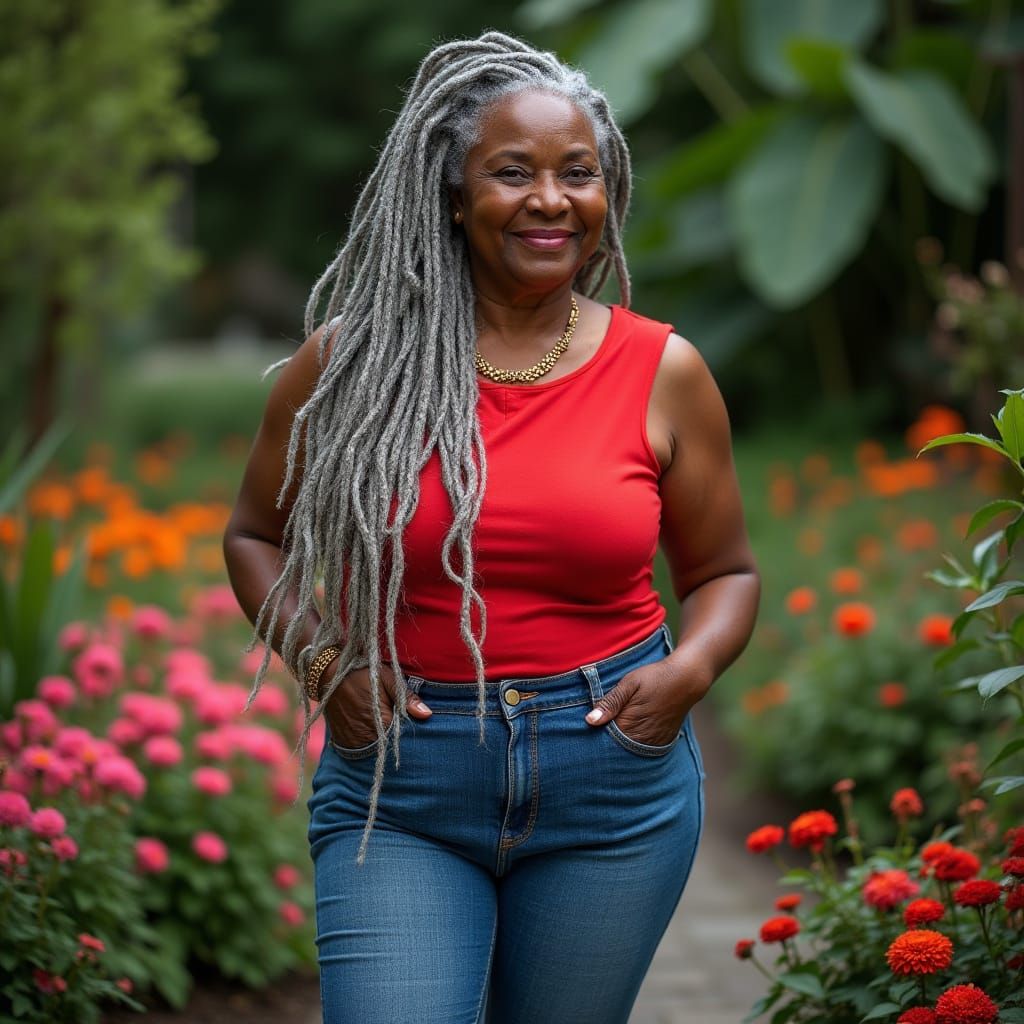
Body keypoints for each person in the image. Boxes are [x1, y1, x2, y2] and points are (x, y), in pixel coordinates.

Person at [222, 30, 760, 1024]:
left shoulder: (664, 370)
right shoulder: (352, 364)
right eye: (513, 172)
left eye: (577, 174)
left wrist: (689, 673)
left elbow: (724, 570)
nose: (551, 199)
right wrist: (323, 663)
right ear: (454, 196)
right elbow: (255, 535)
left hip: (611, 780)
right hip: (404, 779)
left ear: (607, 194)